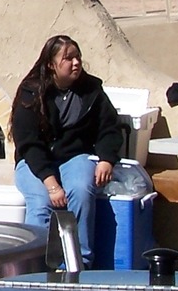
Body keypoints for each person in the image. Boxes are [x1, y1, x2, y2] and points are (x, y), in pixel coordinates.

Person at [10, 35, 123, 267]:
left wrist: (106, 159)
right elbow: (28, 143)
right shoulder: (31, 92)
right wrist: (51, 185)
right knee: (41, 204)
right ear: (51, 64)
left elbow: (110, 128)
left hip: (74, 157)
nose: (76, 63)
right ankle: (35, 266)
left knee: (81, 191)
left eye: (78, 57)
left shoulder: (92, 90)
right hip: (35, 163)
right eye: (68, 58)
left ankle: (79, 263)